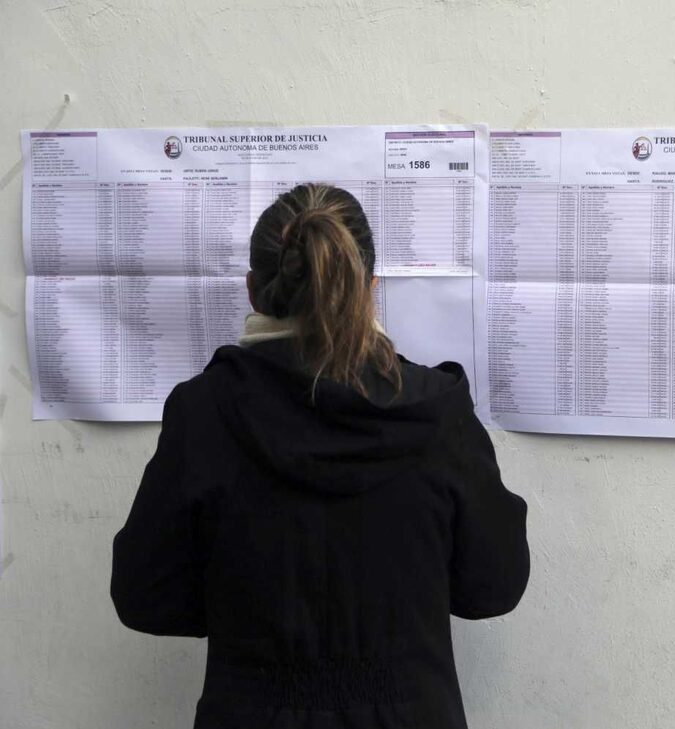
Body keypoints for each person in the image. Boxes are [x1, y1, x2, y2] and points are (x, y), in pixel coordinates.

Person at [111, 183, 530, 728]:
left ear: (252, 291)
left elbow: (146, 596)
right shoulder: (437, 414)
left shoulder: (204, 413)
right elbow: (492, 587)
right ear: (369, 288)